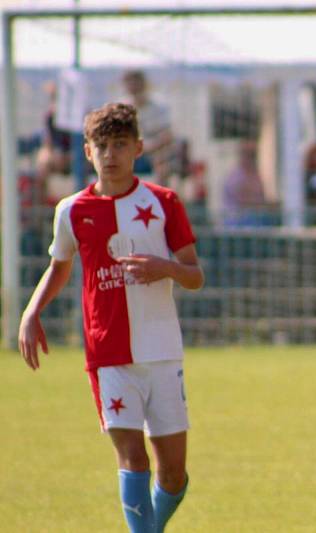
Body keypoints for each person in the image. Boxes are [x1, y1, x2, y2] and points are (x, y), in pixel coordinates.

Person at [18, 102, 204, 533]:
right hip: (108, 354)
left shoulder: (163, 202)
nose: (110, 154)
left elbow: (195, 275)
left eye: (119, 144)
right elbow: (59, 266)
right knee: (132, 460)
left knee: (173, 475)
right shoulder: (70, 210)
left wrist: (167, 268)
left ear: (137, 147)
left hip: (162, 353)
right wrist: (31, 312)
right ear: (87, 152)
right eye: (101, 146)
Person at [122, 70, 175, 186]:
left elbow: (167, 135)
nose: (134, 87)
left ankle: (159, 198)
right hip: (130, 153)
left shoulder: (159, 107)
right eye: (130, 83)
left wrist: (148, 147)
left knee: (162, 163)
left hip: (153, 153)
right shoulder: (121, 109)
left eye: (136, 83)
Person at [222, 139, 268, 226]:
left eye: (254, 155)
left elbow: (261, 197)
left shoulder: (255, 174)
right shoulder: (236, 177)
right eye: (250, 155)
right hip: (238, 225)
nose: (253, 159)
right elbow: (249, 202)